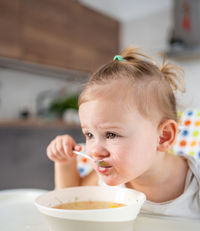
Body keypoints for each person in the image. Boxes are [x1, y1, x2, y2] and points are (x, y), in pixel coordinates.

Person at [46, 46, 200, 219]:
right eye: (89, 135)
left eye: (111, 134)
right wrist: (65, 163)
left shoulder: (195, 182)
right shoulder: (106, 178)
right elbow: (71, 204)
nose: (94, 151)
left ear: (163, 136)